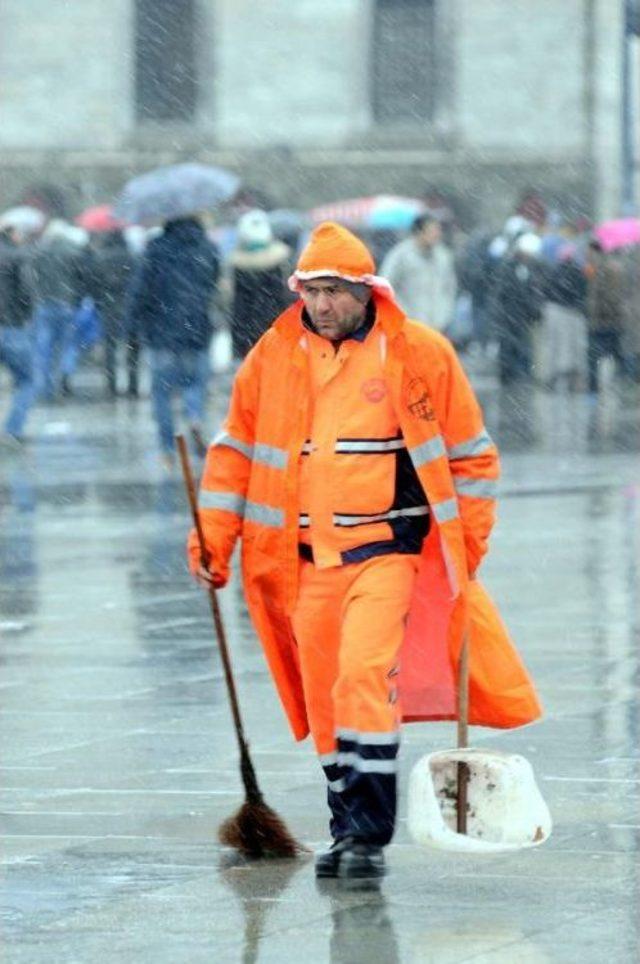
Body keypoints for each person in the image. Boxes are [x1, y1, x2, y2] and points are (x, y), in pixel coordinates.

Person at [187, 222, 541, 879]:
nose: (319, 305)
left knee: (362, 676)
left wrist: (469, 541)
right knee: (324, 695)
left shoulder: (417, 353)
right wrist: (213, 539)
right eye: (310, 291)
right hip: (302, 562)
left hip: (386, 553)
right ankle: (344, 823)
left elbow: (472, 457)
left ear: (364, 290)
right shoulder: (274, 354)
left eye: (332, 291)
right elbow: (235, 449)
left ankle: (370, 833)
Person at [126, 216, 219, 465]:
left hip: (161, 332)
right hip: (197, 329)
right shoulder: (208, 247)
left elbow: (140, 291)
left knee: (162, 393)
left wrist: (133, 325)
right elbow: (212, 284)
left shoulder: (156, 249)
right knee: (195, 384)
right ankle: (194, 417)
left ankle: (167, 448)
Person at [26, 218, 88, 400]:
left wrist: (36, 297)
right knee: (66, 346)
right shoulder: (72, 251)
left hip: (44, 305)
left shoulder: (39, 252)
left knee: (43, 348)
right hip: (66, 304)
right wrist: (77, 298)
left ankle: (44, 388)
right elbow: (81, 278)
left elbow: (31, 278)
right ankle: (63, 376)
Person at [226, 210, 292, 360]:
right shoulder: (280, 262)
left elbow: (237, 307)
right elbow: (285, 299)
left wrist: (236, 347)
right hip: (276, 332)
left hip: (246, 337)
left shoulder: (237, 266)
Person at [380, 213, 456, 331]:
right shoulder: (400, 255)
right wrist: (402, 313)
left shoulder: (443, 256)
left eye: (438, 230)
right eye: (432, 230)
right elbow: (386, 286)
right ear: (418, 232)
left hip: (438, 326)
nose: (437, 234)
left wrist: (445, 313)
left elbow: (450, 287)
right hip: (408, 324)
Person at [489, 232, 546, 384]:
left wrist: (534, 309)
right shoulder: (508, 267)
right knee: (507, 346)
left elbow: (533, 291)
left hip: (521, 315)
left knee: (520, 346)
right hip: (508, 314)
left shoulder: (531, 268)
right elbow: (500, 292)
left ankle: (518, 375)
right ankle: (507, 376)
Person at [89, 229, 137, 396]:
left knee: (110, 346)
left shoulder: (100, 258)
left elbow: (93, 285)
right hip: (129, 306)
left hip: (108, 306)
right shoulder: (132, 257)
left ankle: (111, 385)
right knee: (133, 346)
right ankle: (133, 384)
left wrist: (98, 302)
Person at [0, 225, 35, 445]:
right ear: (12, 235)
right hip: (12, 327)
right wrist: (25, 315)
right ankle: (12, 429)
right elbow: (27, 291)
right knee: (26, 380)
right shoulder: (17, 257)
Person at [585, 241, 626, 395]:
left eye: (590, 253)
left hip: (605, 320)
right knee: (612, 354)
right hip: (605, 320)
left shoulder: (607, 270)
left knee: (599, 354)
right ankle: (600, 386)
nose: (588, 256)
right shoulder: (596, 269)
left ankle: (596, 387)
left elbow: (611, 297)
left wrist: (599, 311)